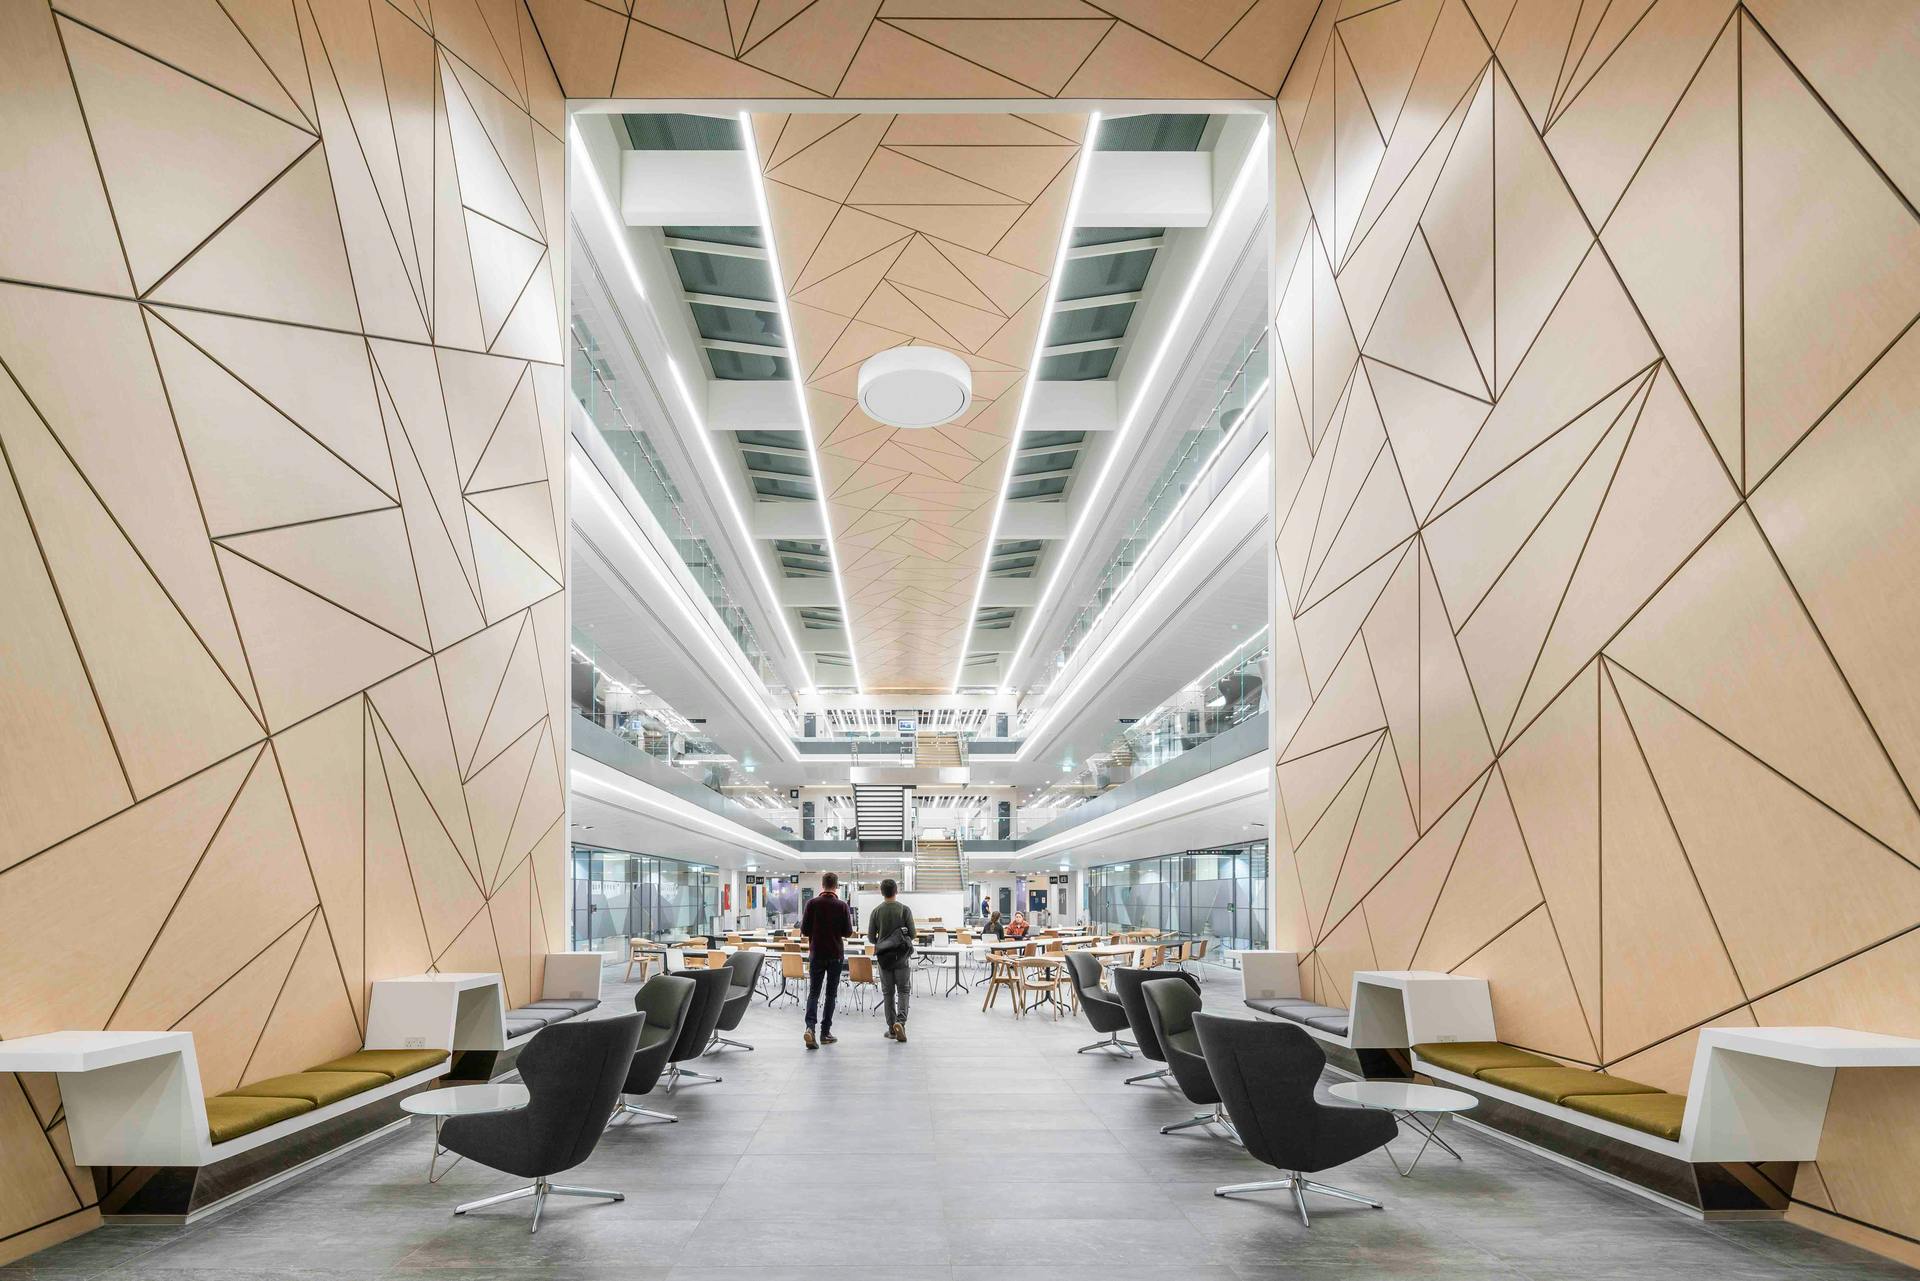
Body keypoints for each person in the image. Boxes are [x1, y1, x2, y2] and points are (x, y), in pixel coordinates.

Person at [799, 871, 852, 1049]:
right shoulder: (842, 905)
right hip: (835, 955)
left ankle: (810, 1028)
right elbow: (848, 932)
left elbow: (805, 930)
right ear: (836, 886)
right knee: (831, 994)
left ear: (822, 885)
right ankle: (825, 1032)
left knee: (814, 992)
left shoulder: (811, 904)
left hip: (816, 954)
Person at [867, 878, 915, 1043]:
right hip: (902, 958)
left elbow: (871, 938)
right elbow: (913, 934)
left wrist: (884, 940)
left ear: (882, 892)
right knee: (903, 990)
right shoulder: (904, 910)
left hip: (884, 960)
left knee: (888, 992)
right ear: (896, 891)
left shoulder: (876, 911)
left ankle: (891, 1029)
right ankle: (900, 1023)